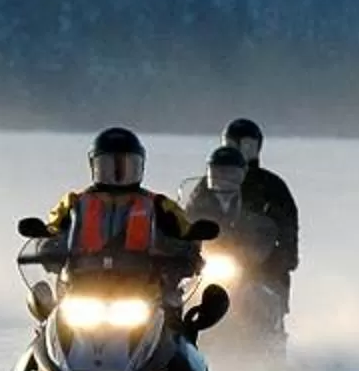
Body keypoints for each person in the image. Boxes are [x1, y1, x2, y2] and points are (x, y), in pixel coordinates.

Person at [41, 128, 204, 296]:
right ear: (94, 166)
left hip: (143, 287)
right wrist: (49, 247)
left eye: (127, 166)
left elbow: (185, 233)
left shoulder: (158, 204)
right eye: (107, 166)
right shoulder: (75, 202)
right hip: (82, 283)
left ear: (140, 166)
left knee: (172, 306)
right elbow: (52, 232)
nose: (117, 174)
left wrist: (185, 252)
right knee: (50, 308)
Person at [223, 117, 302, 282]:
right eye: (232, 145)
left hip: (263, 269)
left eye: (246, 146)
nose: (239, 151)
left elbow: (288, 227)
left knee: (262, 298)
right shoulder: (211, 183)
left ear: (257, 148)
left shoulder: (272, 186)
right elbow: (193, 214)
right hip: (221, 260)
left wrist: (282, 257)